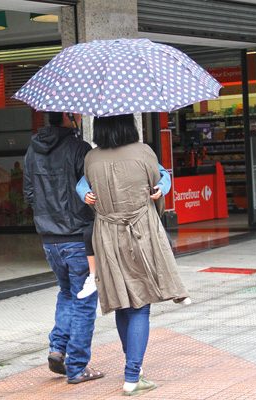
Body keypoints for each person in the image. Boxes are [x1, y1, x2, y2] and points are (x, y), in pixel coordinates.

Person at [83, 114, 190, 396]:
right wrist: (160, 192)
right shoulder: (144, 152)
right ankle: (132, 377)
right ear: (129, 125)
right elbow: (157, 186)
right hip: (140, 233)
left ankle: (136, 369)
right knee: (141, 305)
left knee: (123, 302)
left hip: (106, 235)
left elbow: (87, 192)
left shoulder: (91, 158)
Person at [23, 112, 105, 384]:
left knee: (67, 293)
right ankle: (78, 366)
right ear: (70, 117)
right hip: (77, 237)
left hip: (49, 239)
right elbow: (93, 190)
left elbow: (29, 195)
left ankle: (58, 349)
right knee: (84, 300)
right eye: (78, 115)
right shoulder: (79, 149)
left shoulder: (31, 151)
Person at [75, 165, 172, 299]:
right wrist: (84, 192)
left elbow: (162, 172)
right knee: (89, 235)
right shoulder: (100, 159)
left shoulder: (139, 154)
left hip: (138, 214)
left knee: (165, 240)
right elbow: (84, 180)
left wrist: (162, 187)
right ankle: (93, 276)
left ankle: (169, 280)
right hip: (112, 215)